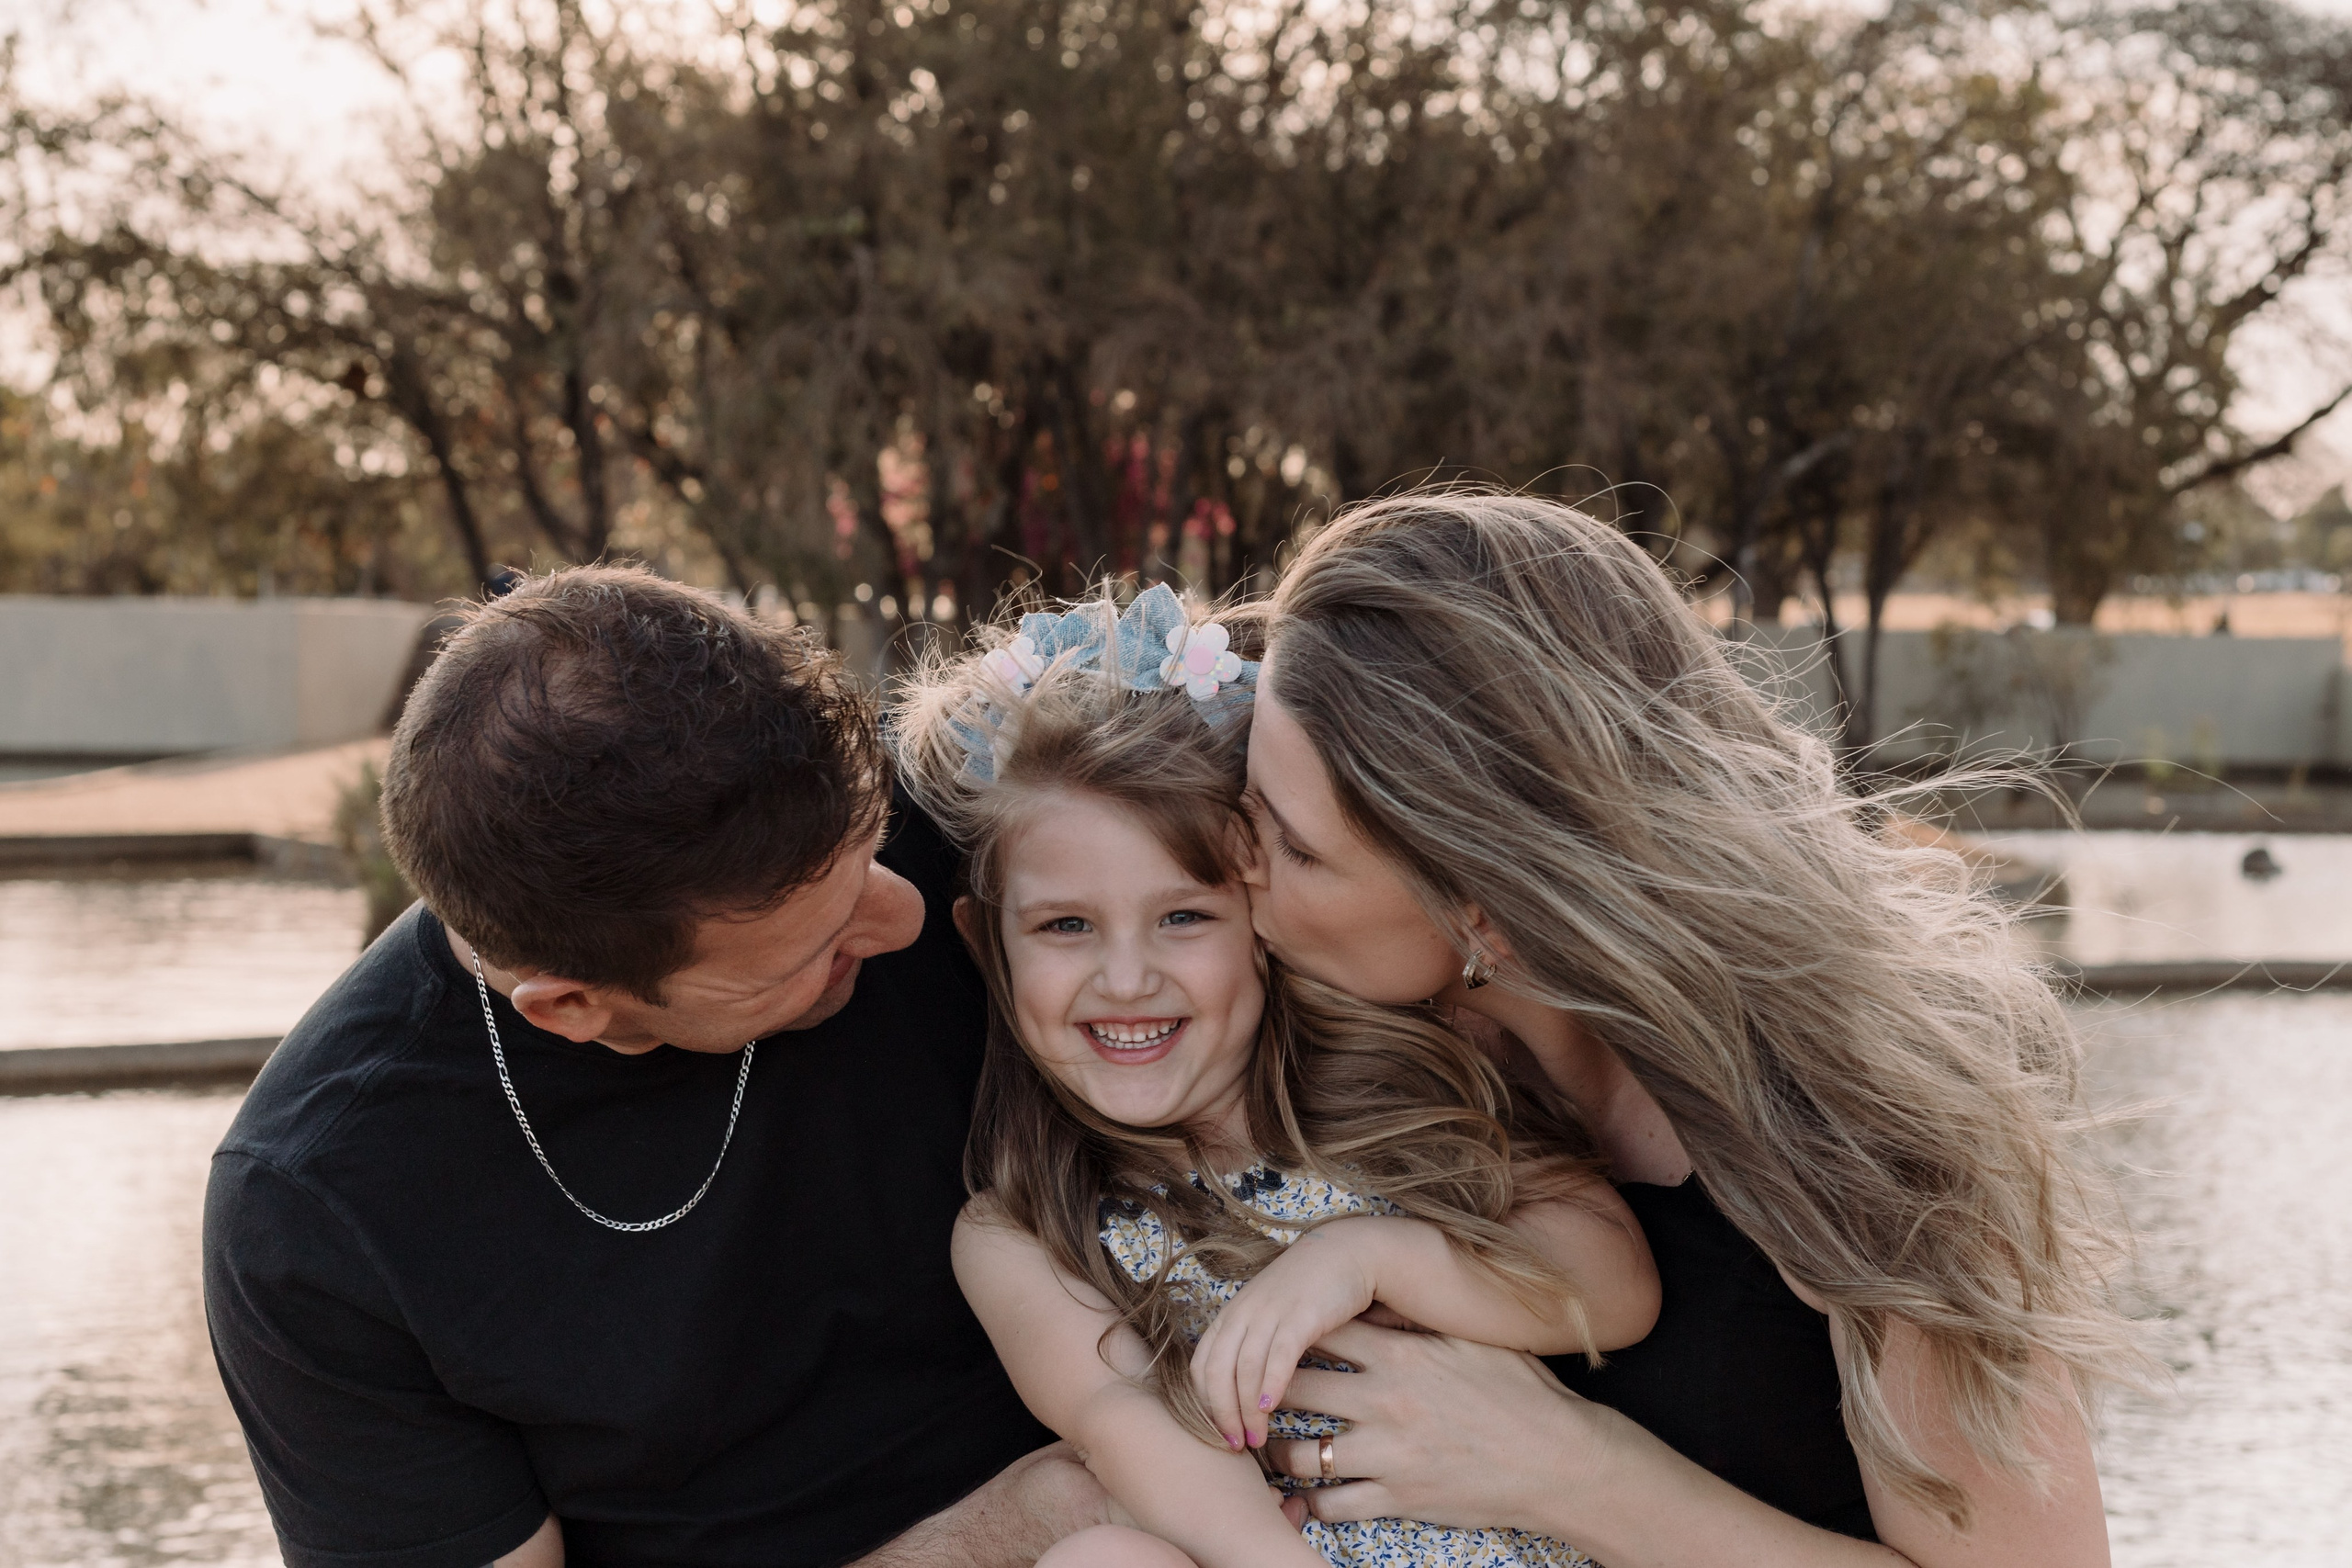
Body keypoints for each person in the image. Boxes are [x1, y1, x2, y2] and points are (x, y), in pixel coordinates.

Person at [1237, 491, 2143, 1568]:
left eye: (1293, 848)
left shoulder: (1866, 1146)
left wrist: (1566, 1471)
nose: (1231, 863)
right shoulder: (1312, 1057)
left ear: (1484, 906)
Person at [203, 564, 1111, 1568]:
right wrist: (1022, 1526)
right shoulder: (319, 1210)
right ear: (571, 1005)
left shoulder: (960, 824)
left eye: (875, 840)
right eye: (816, 946)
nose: (905, 916)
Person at [889, 585, 1660, 1568]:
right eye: (1065, 926)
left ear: (1260, 922)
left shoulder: (1401, 1090)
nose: (1126, 979)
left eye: (1184, 918)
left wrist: (1367, 1259)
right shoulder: (1026, 1233)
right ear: (985, 941)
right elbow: (1128, 1425)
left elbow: (1615, 1284)